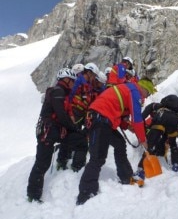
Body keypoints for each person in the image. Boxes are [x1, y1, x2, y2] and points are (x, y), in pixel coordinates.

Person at [76, 77, 156, 205]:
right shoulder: (134, 92)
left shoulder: (129, 89)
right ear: (144, 88)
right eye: (148, 93)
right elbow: (137, 119)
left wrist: (128, 126)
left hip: (102, 119)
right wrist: (143, 139)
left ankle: (126, 176)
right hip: (100, 119)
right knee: (97, 158)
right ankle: (85, 194)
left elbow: (120, 114)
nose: (146, 97)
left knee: (120, 144)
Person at [27, 68, 78, 203]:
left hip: (51, 131)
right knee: (42, 163)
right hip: (48, 132)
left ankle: (64, 161)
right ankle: (33, 195)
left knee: (43, 162)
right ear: (66, 80)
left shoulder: (60, 93)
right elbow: (61, 114)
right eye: (72, 81)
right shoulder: (58, 92)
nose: (73, 84)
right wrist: (73, 128)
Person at [56, 62, 100, 172]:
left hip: (81, 114)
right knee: (70, 135)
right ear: (89, 73)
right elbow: (70, 95)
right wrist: (69, 112)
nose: (94, 78)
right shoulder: (78, 81)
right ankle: (63, 161)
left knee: (74, 136)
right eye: (93, 75)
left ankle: (65, 159)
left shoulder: (87, 85)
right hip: (74, 112)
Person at [134, 94, 178, 179]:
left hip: (162, 118)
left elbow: (144, 114)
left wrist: (140, 121)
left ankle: (141, 170)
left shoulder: (156, 106)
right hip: (175, 120)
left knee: (151, 145)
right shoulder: (173, 110)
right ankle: (176, 165)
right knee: (173, 143)